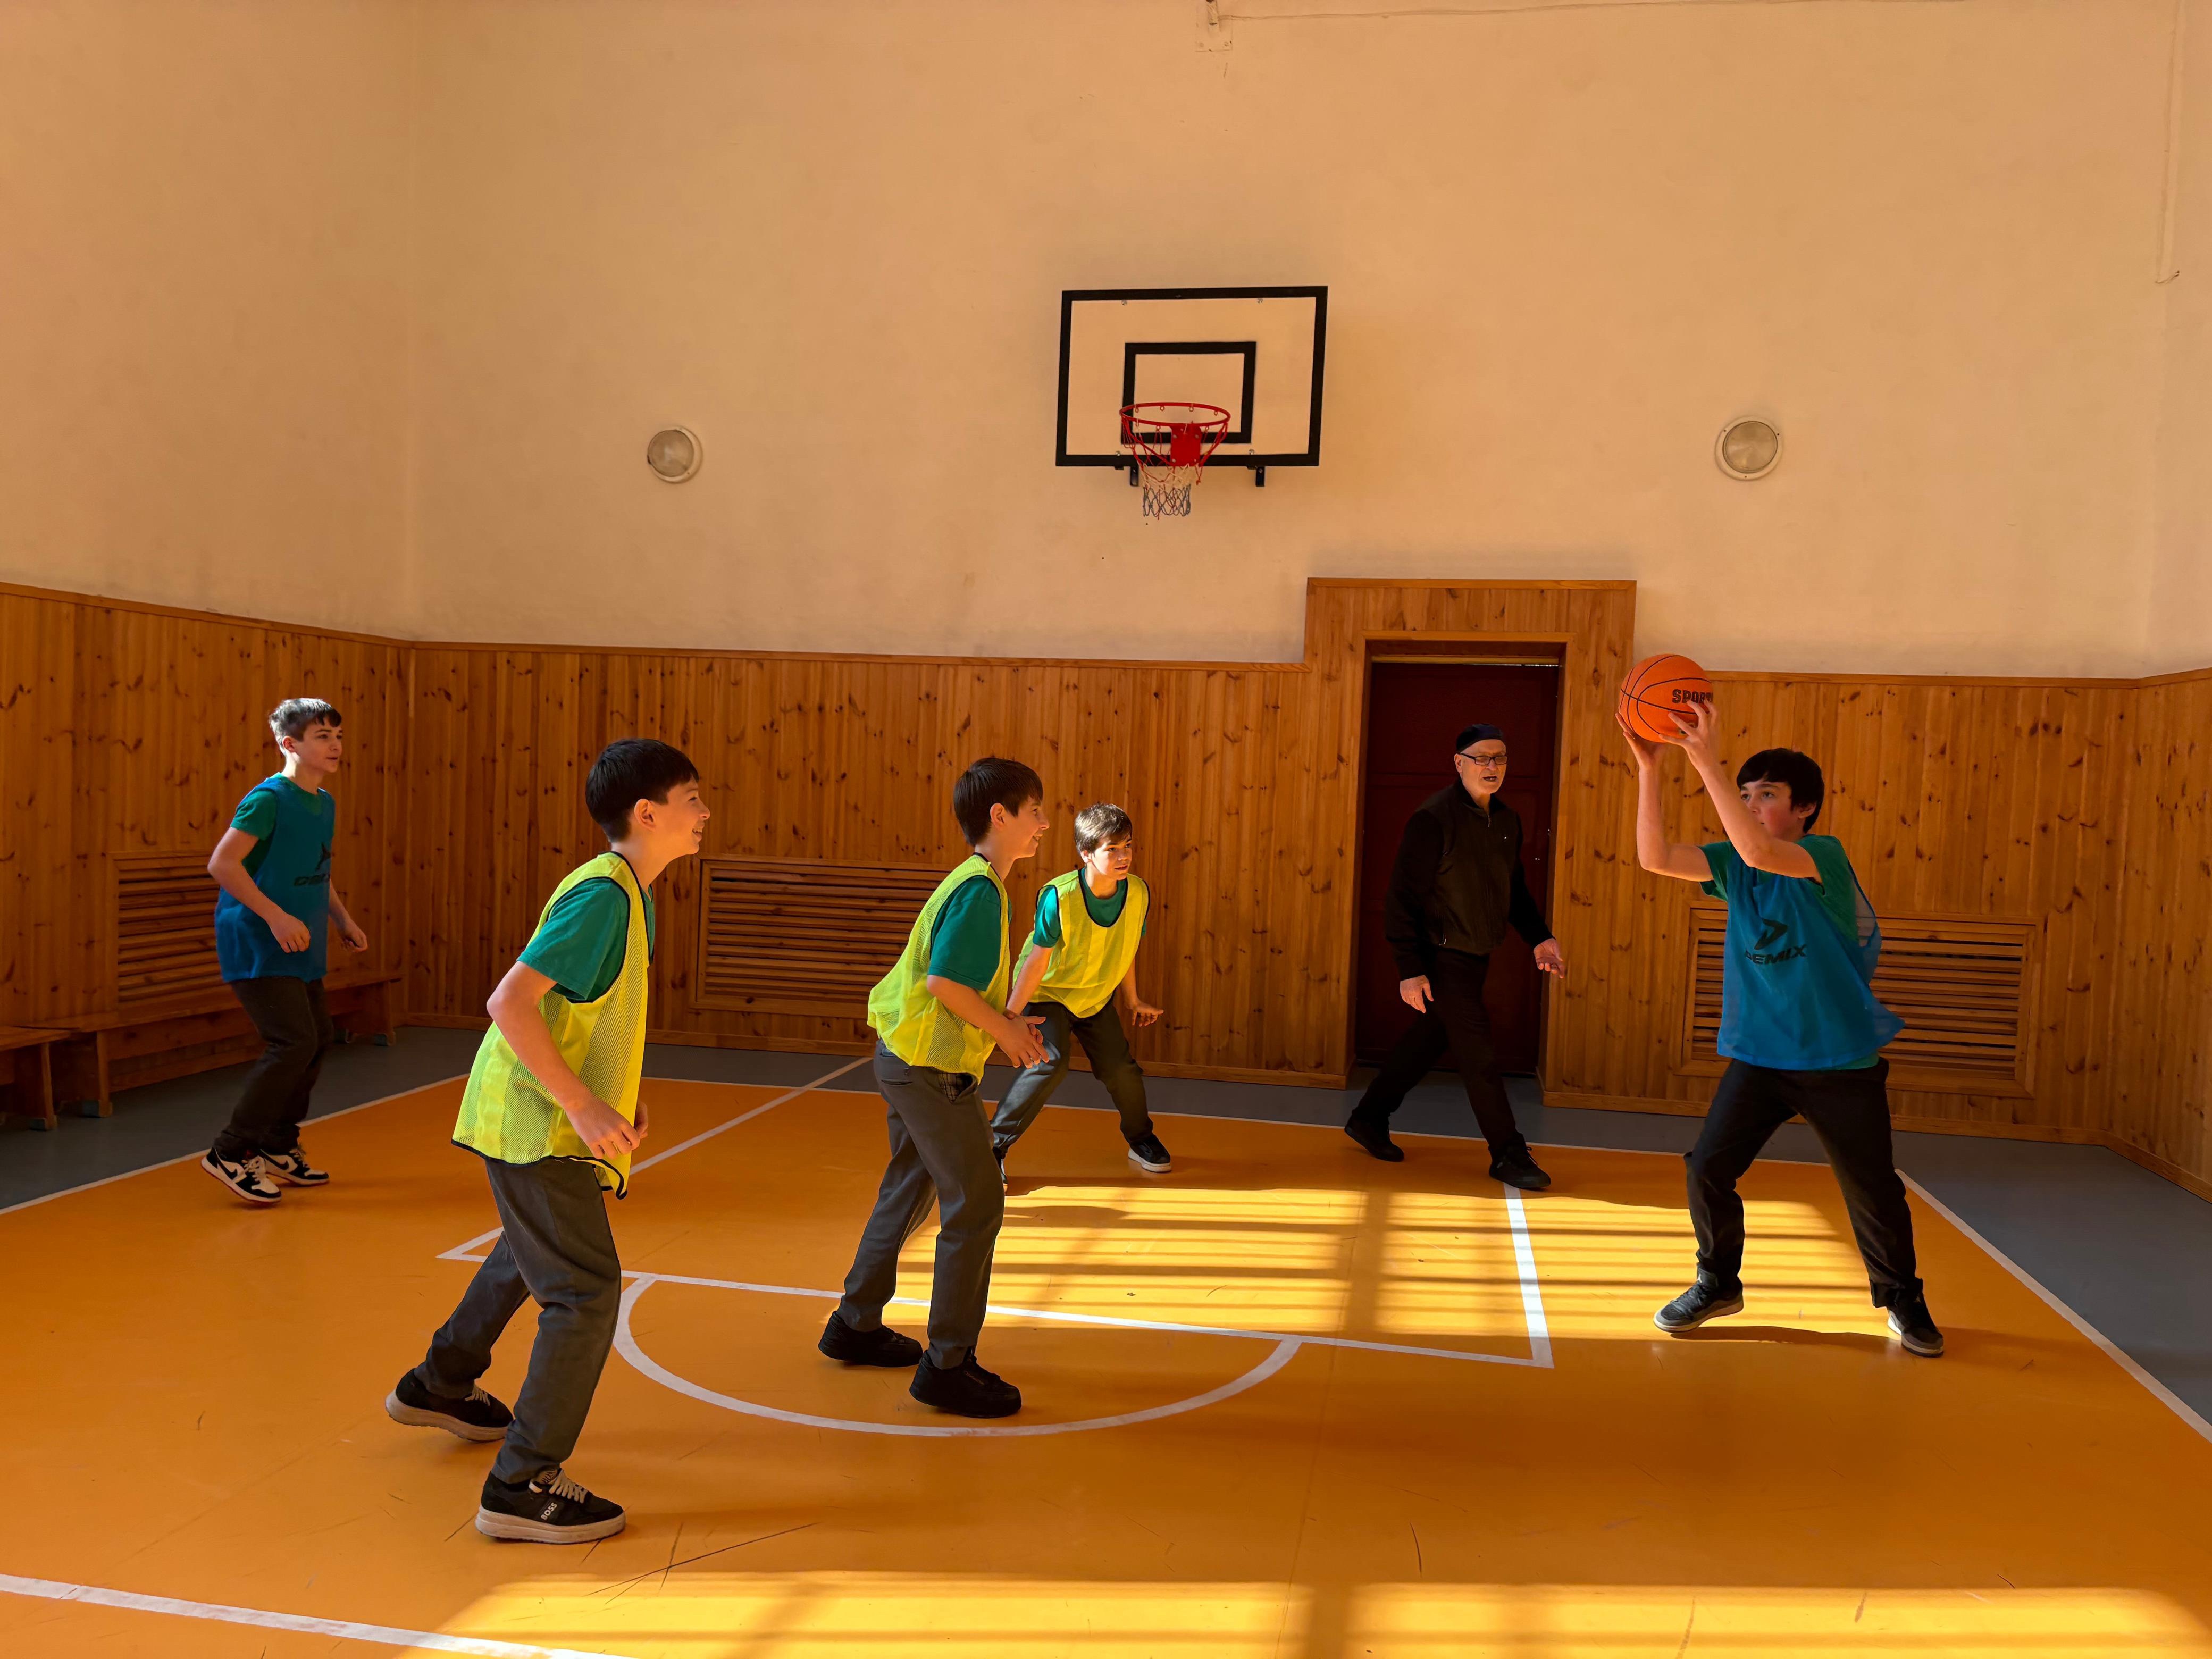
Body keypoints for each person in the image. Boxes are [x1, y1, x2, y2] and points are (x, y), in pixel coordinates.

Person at [384, 738, 711, 1542]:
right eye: (692, 800)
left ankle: (440, 1382)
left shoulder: (630, 893)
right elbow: (510, 1002)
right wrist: (582, 1105)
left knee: (524, 1253)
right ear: (647, 814)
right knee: (585, 1292)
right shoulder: (603, 898)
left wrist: (613, 1098)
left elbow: (586, 1015)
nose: (705, 813)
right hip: (532, 1121)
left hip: (543, 1115)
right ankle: (520, 1483)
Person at [1619, 698, 1943, 1358]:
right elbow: (1654, 858)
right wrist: (1650, 769)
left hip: (1837, 1060)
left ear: (1804, 809)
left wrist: (1705, 761)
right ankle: (1717, 1282)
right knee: (1707, 1168)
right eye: (1743, 794)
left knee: (1871, 1188)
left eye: (1765, 794)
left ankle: (1901, 1297)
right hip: (1761, 1058)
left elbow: (1758, 847)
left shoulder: (1819, 856)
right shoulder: (1734, 864)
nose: (1751, 803)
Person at [818, 757, 1052, 1419]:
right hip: (928, 1070)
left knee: (908, 1187)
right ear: (999, 816)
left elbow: (953, 984)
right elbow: (943, 984)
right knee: (976, 1203)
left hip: (905, 1059)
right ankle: (948, 1365)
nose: (1043, 823)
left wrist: (1004, 1020)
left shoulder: (975, 883)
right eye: (1034, 811)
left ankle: (855, 1322)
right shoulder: (980, 892)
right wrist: (1005, 1034)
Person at [1344, 722, 1564, 1187]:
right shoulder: (1433, 820)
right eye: (1482, 757)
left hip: (1475, 955)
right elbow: (1401, 898)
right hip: (1440, 958)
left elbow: (1514, 891)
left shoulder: (1506, 821)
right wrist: (1410, 969)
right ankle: (1507, 1153)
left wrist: (1540, 937)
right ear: (1459, 763)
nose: (1492, 766)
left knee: (1429, 1039)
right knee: (1479, 1055)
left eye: (1500, 757)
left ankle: (1369, 1117)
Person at [199, 698, 370, 1204]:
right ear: (289, 744)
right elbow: (223, 864)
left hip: (301, 941)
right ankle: (231, 1150)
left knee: (317, 1039)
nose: (335, 745)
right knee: (292, 1042)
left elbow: (318, 869)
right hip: (257, 940)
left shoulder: (324, 803)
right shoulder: (268, 800)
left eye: (338, 735)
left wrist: (342, 919)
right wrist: (275, 915)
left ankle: (277, 1143)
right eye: (322, 736)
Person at [990, 803, 1171, 1179]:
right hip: (1048, 993)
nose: (1123, 856)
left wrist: (1133, 999)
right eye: (1112, 849)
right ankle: (991, 1148)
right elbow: (1036, 962)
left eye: (1128, 846)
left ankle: (1141, 1140)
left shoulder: (1138, 893)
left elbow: (1126, 947)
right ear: (1087, 854)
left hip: (1094, 997)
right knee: (1050, 1062)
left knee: (1122, 1070)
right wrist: (1009, 1017)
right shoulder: (1059, 896)